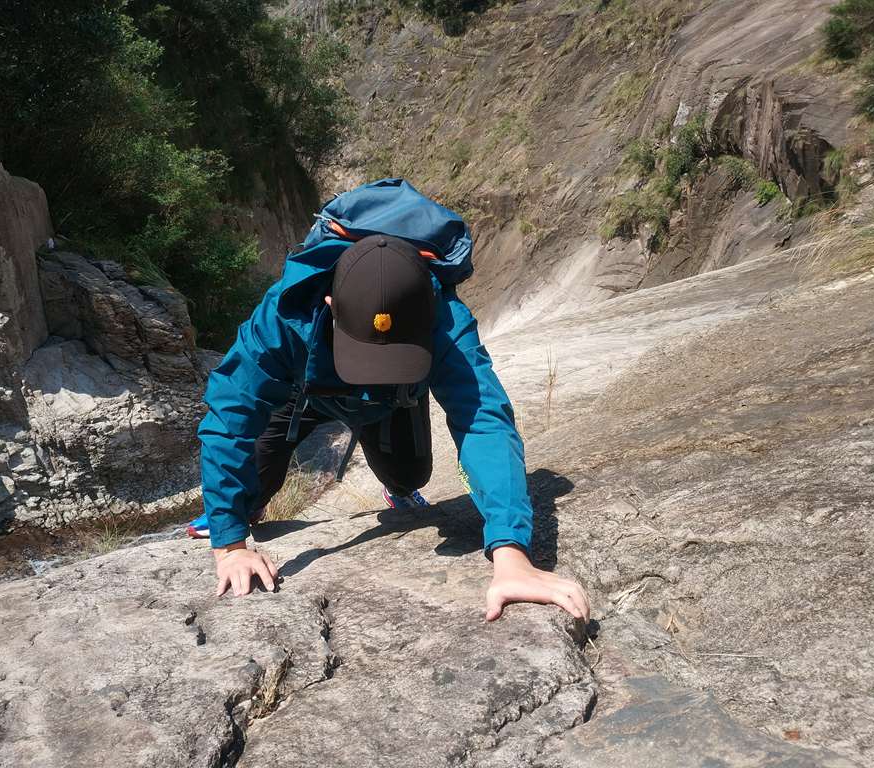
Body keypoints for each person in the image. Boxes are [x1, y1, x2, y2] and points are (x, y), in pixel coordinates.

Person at [190, 180, 590, 623]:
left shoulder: (444, 318)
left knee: (410, 476)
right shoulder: (286, 313)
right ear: (331, 304)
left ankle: (395, 485)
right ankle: (242, 507)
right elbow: (230, 417)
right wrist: (230, 543)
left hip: (390, 399)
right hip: (302, 394)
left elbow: (483, 420)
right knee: (245, 497)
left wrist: (512, 554)